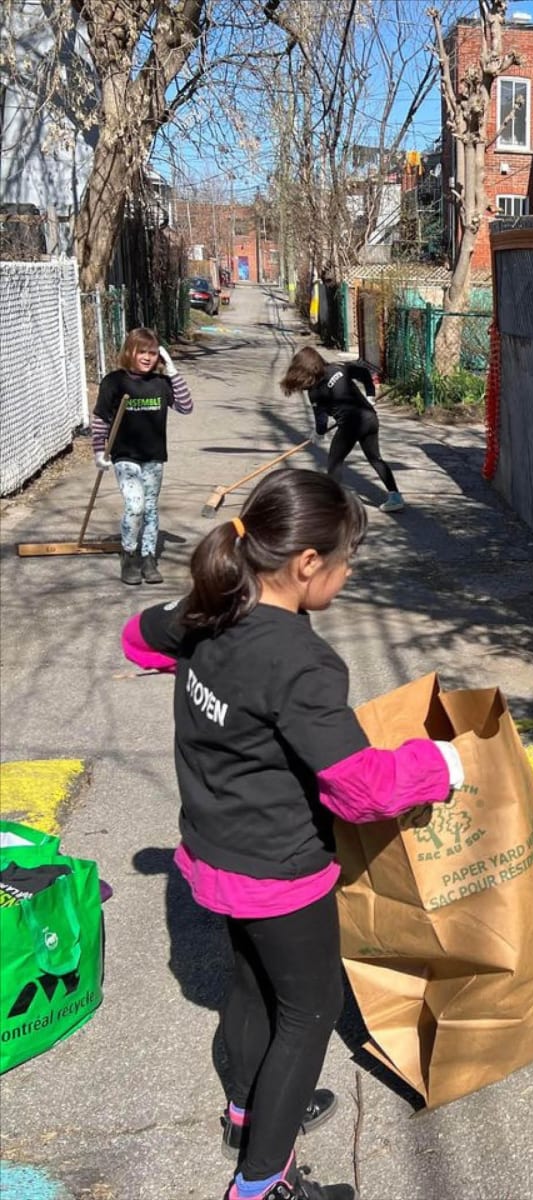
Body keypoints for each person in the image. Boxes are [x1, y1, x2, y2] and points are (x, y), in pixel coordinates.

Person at [120, 469, 464, 1200]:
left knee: (250, 986)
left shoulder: (210, 609)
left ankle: (248, 1111)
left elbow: (136, 641)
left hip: (214, 852)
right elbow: (361, 788)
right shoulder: (301, 661)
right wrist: (437, 765)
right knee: (308, 1015)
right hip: (281, 870)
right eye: (345, 566)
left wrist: (183, 633)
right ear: (307, 564)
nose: (344, 578)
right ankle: (261, 1183)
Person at [92, 327, 193, 585]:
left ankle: (148, 557)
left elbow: (186, 406)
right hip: (125, 456)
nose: (147, 358)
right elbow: (101, 418)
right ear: (130, 352)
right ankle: (129, 554)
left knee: (149, 508)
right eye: (142, 352)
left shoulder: (160, 383)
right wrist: (98, 451)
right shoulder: (114, 382)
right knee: (135, 506)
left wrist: (172, 371)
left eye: (152, 352)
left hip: (154, 457)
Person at [280, 347, 405, 513]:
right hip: (370, 418)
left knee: (334, 462)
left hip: (350, 425)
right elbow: (364, 374)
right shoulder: (339, 367)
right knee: (375, 458)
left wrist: (318, 433)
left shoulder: (315, 391)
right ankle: (395, 496)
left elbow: (321, 420)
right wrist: (370, 395)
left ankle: (332, 503)